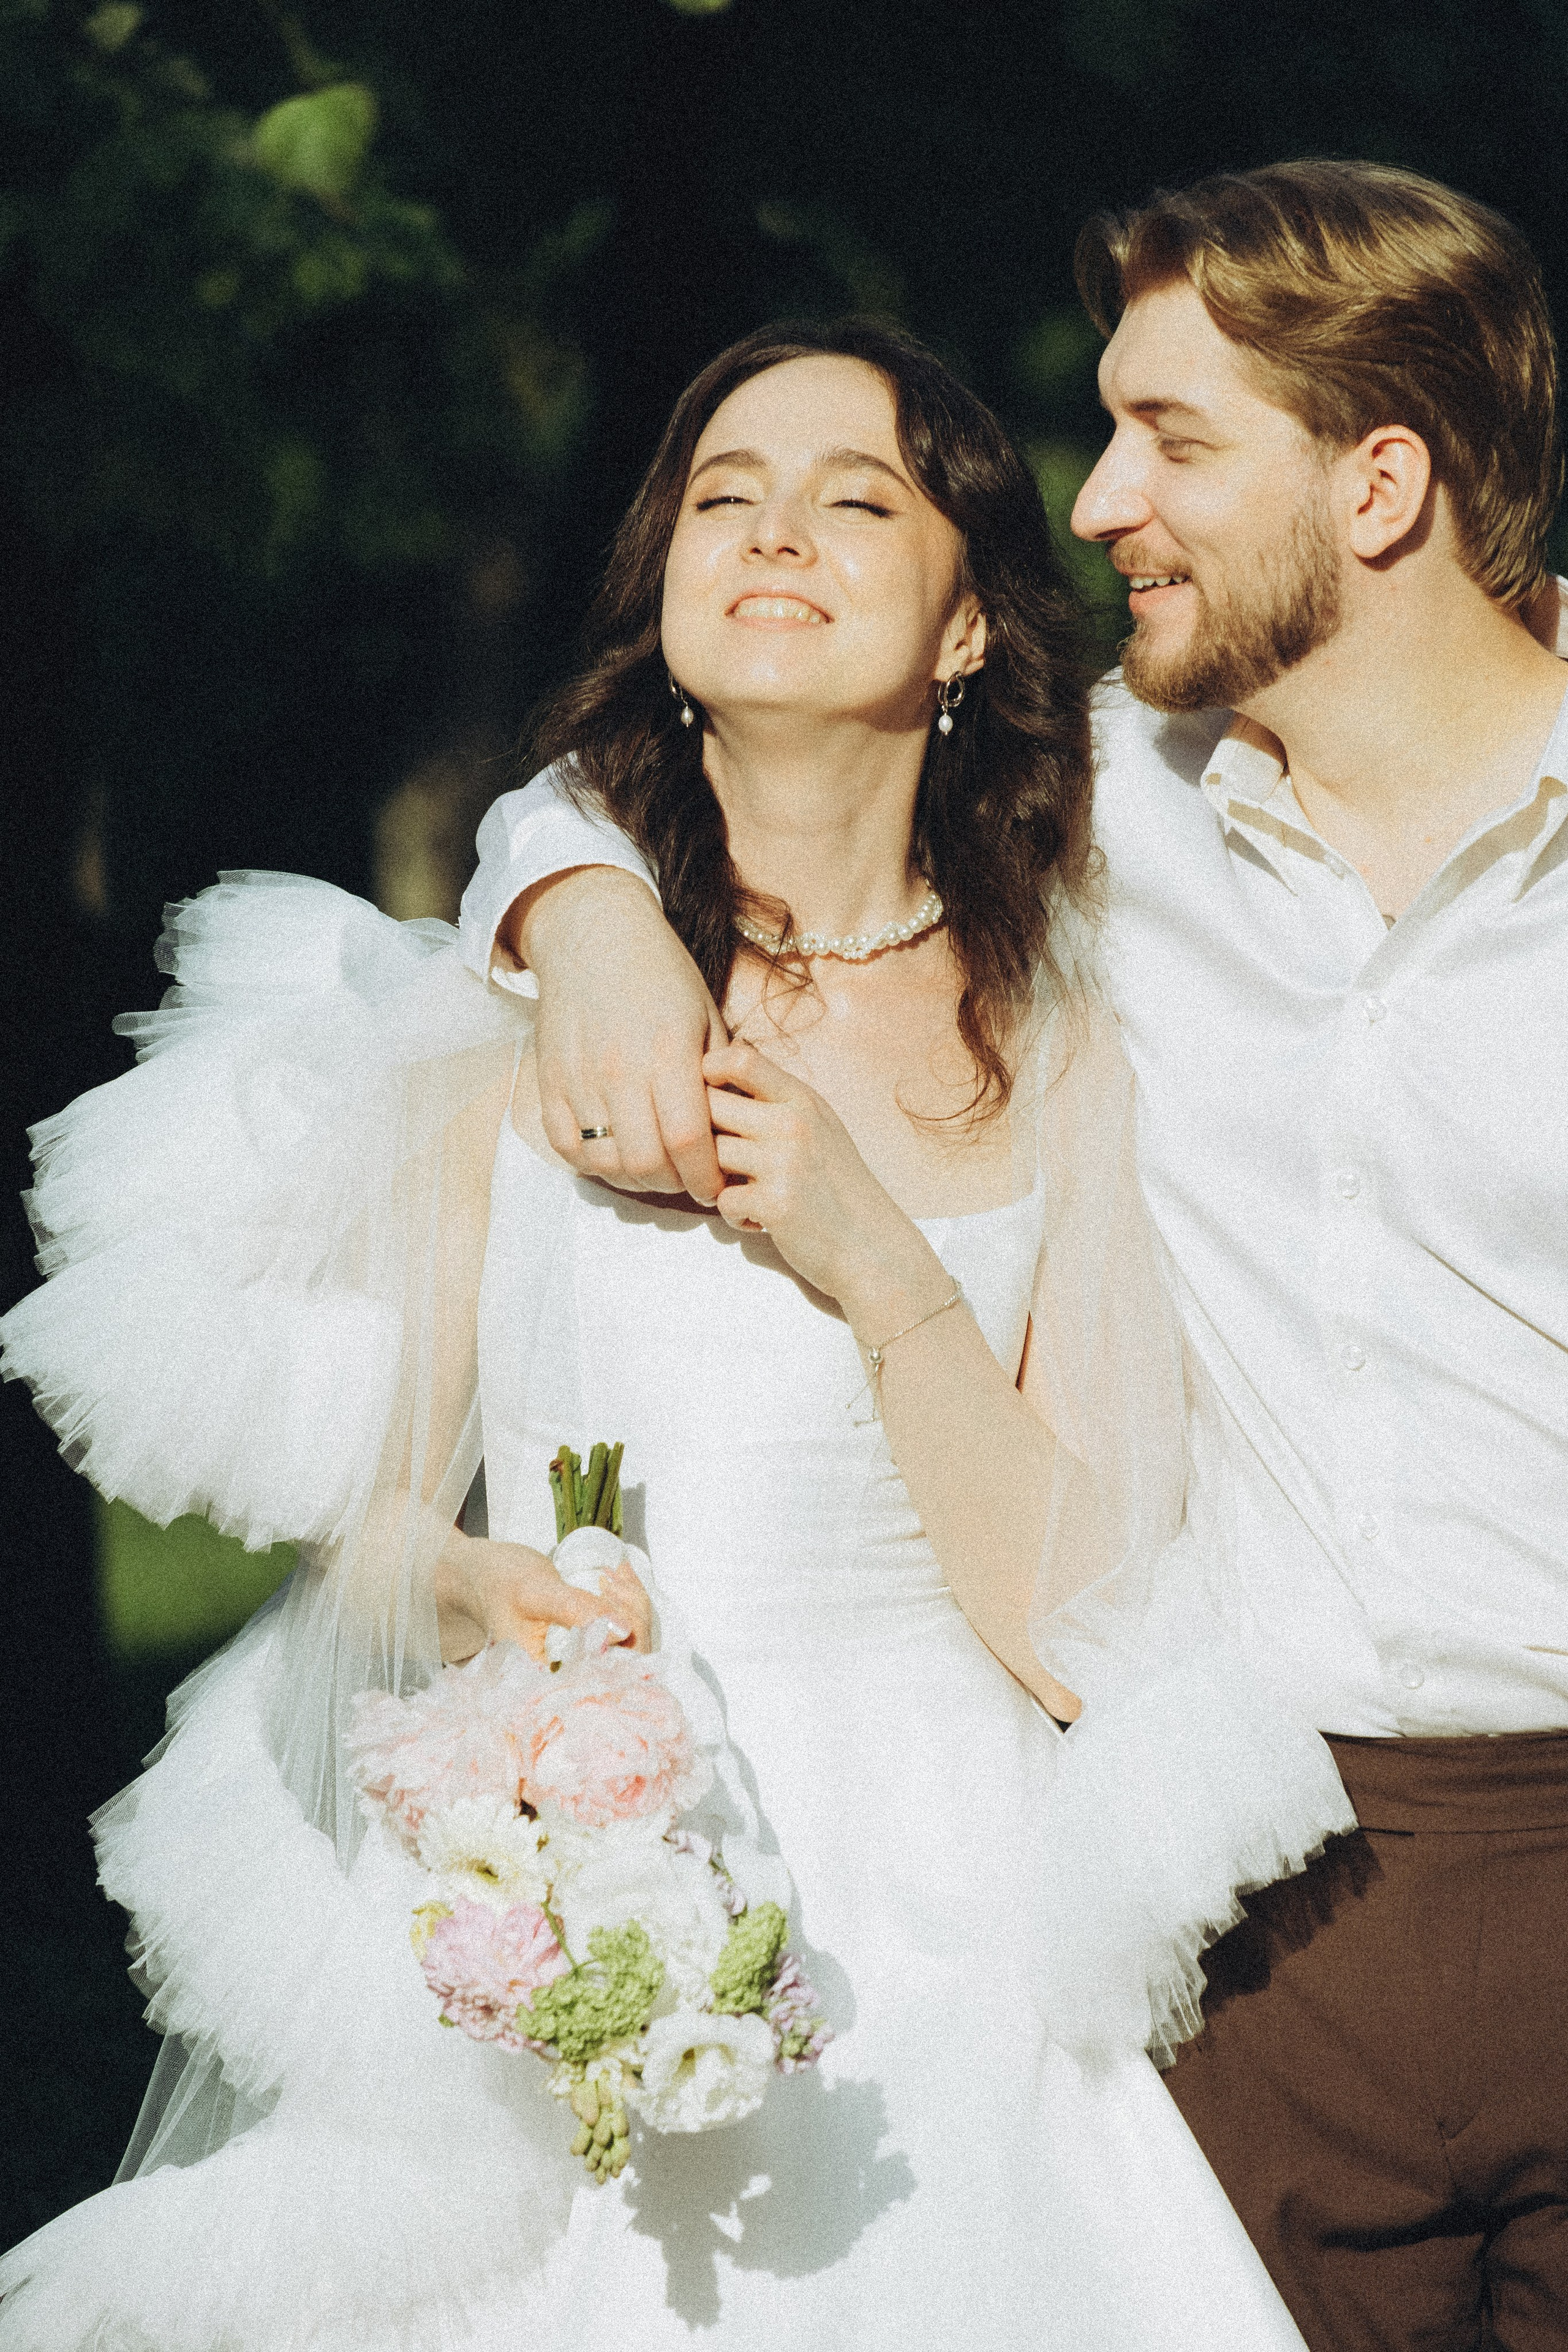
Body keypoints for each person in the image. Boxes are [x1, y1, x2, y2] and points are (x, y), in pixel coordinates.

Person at [0, 322, 1308, 2350]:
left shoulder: (1059, 1042)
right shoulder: (507, 1019)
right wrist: (472, 1591)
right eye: (724, 494)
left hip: (940, 1949)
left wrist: (882, 1267)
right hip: (557, 1909)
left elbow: (1067, 1616)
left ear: (969, 630)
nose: (776, 531)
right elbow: (361, 1533)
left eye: (856, 501)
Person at [459, 164, 1568, 2352]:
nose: (1099, 499)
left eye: (1168, 437)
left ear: (1380, 484)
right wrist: (572, 899)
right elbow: (750, 751)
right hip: (1266, 1894)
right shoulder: (1119, 819)